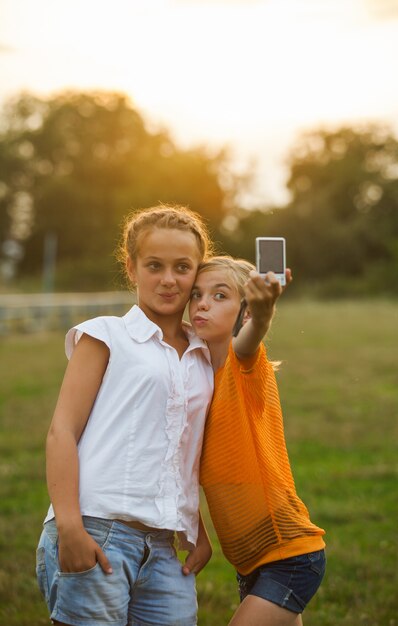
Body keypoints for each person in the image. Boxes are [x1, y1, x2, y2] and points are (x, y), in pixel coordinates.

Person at [36, 205, 215, 626]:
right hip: (98, 529)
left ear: (196, 274)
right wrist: (69, 527)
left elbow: (179, 450)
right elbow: (61, 431)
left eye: (182, 267)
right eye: (154, 265)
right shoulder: (105, 335)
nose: (168, 279)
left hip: (166, 544)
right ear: (131, 268)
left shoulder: (203, 355)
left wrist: (198, 528)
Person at [189, 256, 326, 626]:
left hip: (287, 553)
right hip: (250, 564)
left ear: (245, 314)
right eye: (197, 295)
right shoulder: (199, 380)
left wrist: (264, 310)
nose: (202, 303)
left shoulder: (242, 363)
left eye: (220, 296)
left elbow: (250, 340)